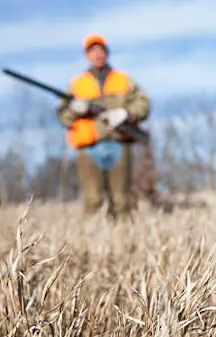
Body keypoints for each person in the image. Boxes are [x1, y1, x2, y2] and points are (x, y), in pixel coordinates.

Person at [57, 34, 150, 220]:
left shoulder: (123, 80)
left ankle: (124, 241)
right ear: (87, 55)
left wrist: (125, 113)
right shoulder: (77, 84)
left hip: (118, 143)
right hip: (89, 148)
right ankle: (90, 244)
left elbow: (144, 104)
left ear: (106, 53)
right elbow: (63, 116)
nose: (97, 55)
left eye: (101, 50)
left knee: (121, 202)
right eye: (93, 51)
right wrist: (75, 110)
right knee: (92, 201)